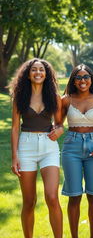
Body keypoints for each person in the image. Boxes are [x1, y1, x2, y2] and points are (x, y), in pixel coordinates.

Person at [10, 58, 63, 238]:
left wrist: (59, 130)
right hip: (26, 148)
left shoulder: (54, 97)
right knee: (29, 201)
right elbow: (15, 128)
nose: (38, 72)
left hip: (49, 147)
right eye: (34, 70)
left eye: (41, 70)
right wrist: (14, 156)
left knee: (52, 197)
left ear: (46, 74)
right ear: (28, 74)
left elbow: (59, 124)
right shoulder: (20, 97)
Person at [60, 64, 93, 238]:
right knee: (74, 195)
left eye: (86, 76)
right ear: (73, 80)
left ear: (91, 79)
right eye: (78, 77)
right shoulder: (65, 100)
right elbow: (57, 124)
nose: (82, 80)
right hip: (71, 146)